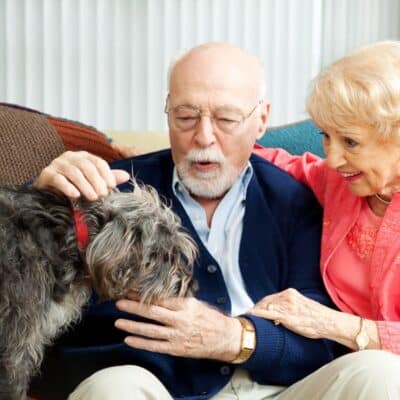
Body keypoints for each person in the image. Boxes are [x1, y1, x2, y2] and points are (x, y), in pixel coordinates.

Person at [28, 43, 387, 400]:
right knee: (113, 389)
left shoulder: (296, 199)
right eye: (185, 117)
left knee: (380, 372)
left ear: (261, 120)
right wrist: (40, 200)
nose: (203, 137)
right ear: (167, 112)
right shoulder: (110, 190)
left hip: (278, 390)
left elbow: (320, 337)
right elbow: (22, 261)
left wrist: (238, 339)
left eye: (226, 120)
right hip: (155, 388)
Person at [247, 39, 400, 386]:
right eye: (325, 137)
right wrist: (156, 159)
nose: (332, 158)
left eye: (350, 142)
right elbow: (265, 159)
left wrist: (335, 325)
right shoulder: (338, 181)